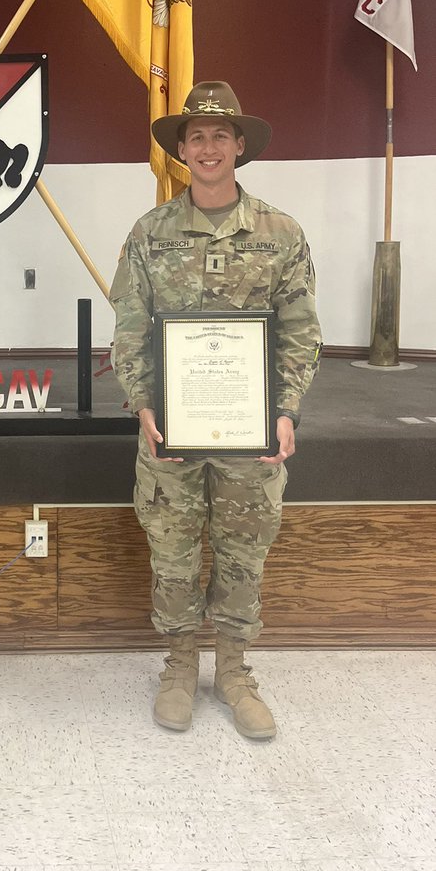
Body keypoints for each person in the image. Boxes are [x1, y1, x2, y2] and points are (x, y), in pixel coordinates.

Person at [111, 81, 321, 740]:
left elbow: (300, 333)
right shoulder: (149, 234)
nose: (208, 147)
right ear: (182, 149)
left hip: (249, 431)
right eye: (196, 136)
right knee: (172, 551)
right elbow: (128, 329)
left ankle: (232, 670)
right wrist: (143, 401)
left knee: (242, 554)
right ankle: (179, 664)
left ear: (239, 147)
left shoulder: (281, 235)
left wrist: (284, 410)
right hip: (170, 429)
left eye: (220, 136)